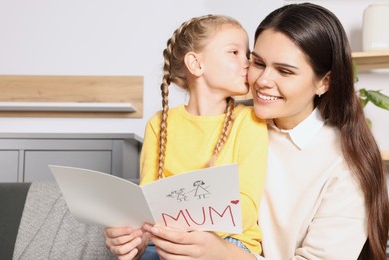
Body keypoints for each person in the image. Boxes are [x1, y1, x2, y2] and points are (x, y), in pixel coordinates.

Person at [136, 3, 389, 260]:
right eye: (257, 62)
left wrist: (225, 255)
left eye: (284, 71)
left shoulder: (345, 165)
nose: (262, 80)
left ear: (324, 82)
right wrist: (133, 234)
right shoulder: (228, 120)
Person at [104, 14, 268, 259]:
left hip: (231, 243)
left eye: (247, 54)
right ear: (196, 64)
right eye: (234, 52)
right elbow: (147, 201)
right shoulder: (159, 123)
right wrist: (135, 238)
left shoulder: (250, 121)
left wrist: (186, 232)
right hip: (165, 242)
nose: (248, 63)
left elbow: (245, 206)